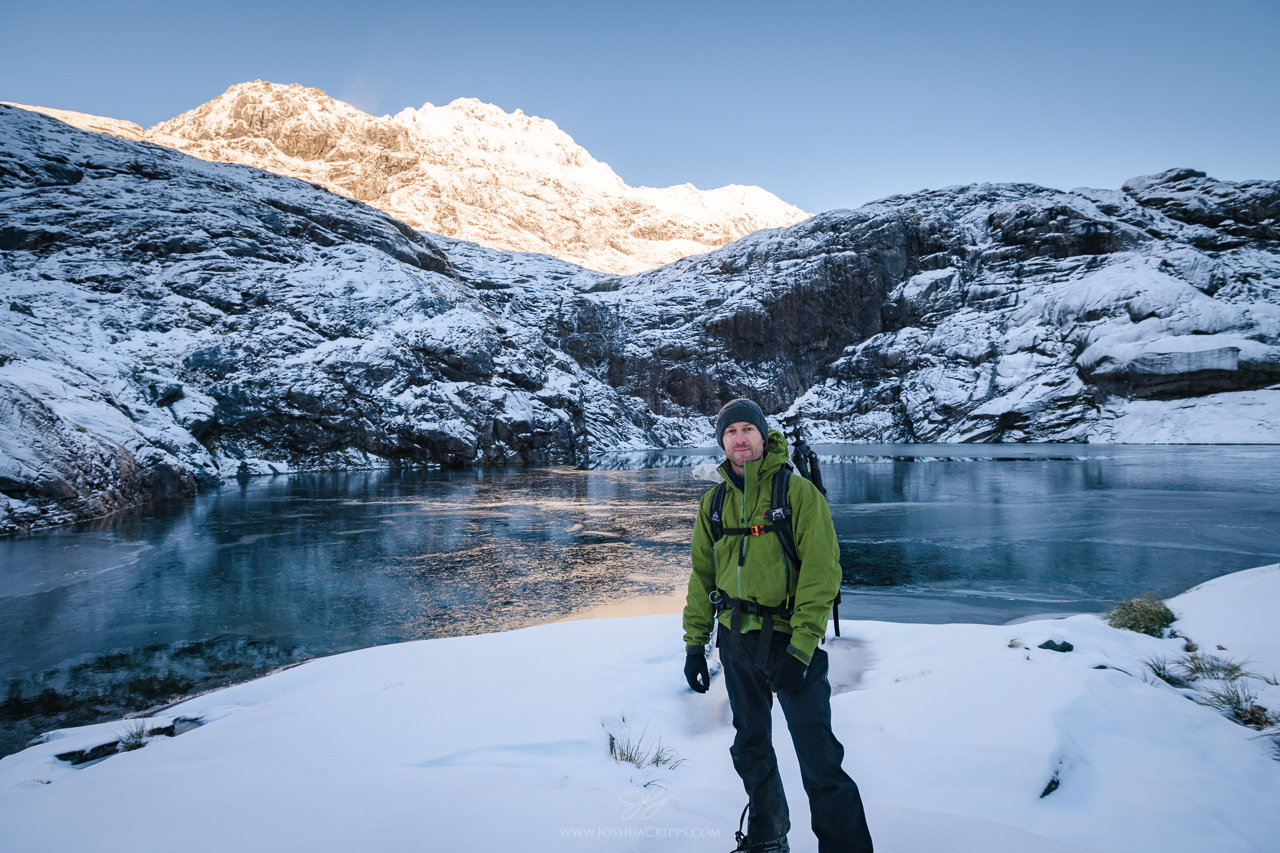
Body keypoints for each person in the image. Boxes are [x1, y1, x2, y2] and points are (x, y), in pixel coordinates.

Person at [682, 399, 874, 853]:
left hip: (790, 642)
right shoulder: (714, 502)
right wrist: (694, 645)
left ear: (763, 436)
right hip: (735, 642)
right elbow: (702, 577)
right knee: (750, 747)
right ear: (722, 441)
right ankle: (768, 840)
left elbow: (822, 575)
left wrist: (801, 649)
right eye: (731, 432)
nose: (739, 439)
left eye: (747, 429)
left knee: (818, 756)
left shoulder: (797, 493)